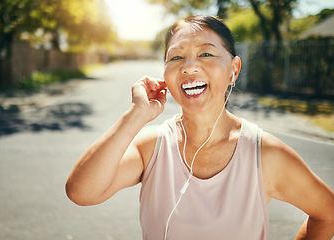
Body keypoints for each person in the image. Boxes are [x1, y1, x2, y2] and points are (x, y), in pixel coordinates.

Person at [66, 15, 334, 239]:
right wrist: (135, 115)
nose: (189, 67)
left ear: (234, 69)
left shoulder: (264, 154)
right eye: (176, 57)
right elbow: (81, 192)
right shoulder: (150, 147)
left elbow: (327, 213)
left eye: (206, 53)